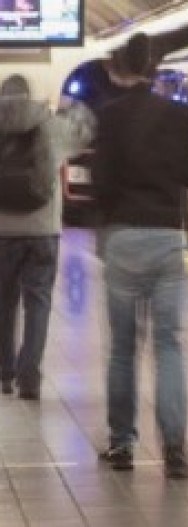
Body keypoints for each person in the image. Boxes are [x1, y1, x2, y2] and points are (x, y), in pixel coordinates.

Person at [93, 33, 188, 479]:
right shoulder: (179, 115)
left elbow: (99, 183)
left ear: (119, 70)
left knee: (123, 349)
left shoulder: (109, 116)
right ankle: (175, 448)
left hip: (123, 237)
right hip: (166, 237)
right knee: (169, 345)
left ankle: (122, 445)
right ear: (155, 69)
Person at [0, 74, 94, 399]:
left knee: (4, 303)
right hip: (42, 231)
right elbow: (85, 132)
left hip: (2, 233)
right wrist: (70, 105)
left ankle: (4, 373)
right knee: (37, 304)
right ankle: (29, 378)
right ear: (30, 96)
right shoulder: (51, 126)